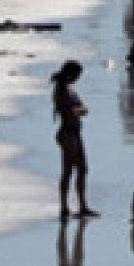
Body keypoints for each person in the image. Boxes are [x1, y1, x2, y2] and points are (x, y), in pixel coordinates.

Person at [51, 61, 95, 218]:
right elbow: (72, 111)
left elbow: (80, 108)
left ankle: (81, 206)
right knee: (68, 171)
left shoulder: (68, 89)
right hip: (68, 133)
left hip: (74, 133)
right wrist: (80, 109)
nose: (77, 79)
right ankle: (65, 206)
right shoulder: (61, 90)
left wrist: (80, 109)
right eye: (77, 75)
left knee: (82, 169)